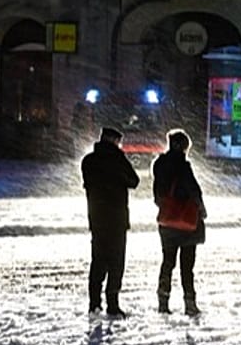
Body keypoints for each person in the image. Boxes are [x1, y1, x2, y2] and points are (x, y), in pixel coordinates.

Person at [81, 126, 139, 317]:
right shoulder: (117, 160)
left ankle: (94, 303)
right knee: (116, 263)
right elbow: (134, 181)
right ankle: (112, 304)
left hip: (97, 218)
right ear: (115, 141)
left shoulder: (88, 161)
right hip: (116, 219)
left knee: (97, 261)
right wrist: (119, 158)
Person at [151, 128, 206, 316]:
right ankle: (189, 303)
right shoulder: (183, 166)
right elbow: (194, 191)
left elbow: (157, 194)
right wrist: (201, 210)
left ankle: (163, 301)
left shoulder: (159, 164)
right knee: (186, 267)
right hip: (186, 221)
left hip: (166, 221)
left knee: (167, 262)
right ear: (180, 146)